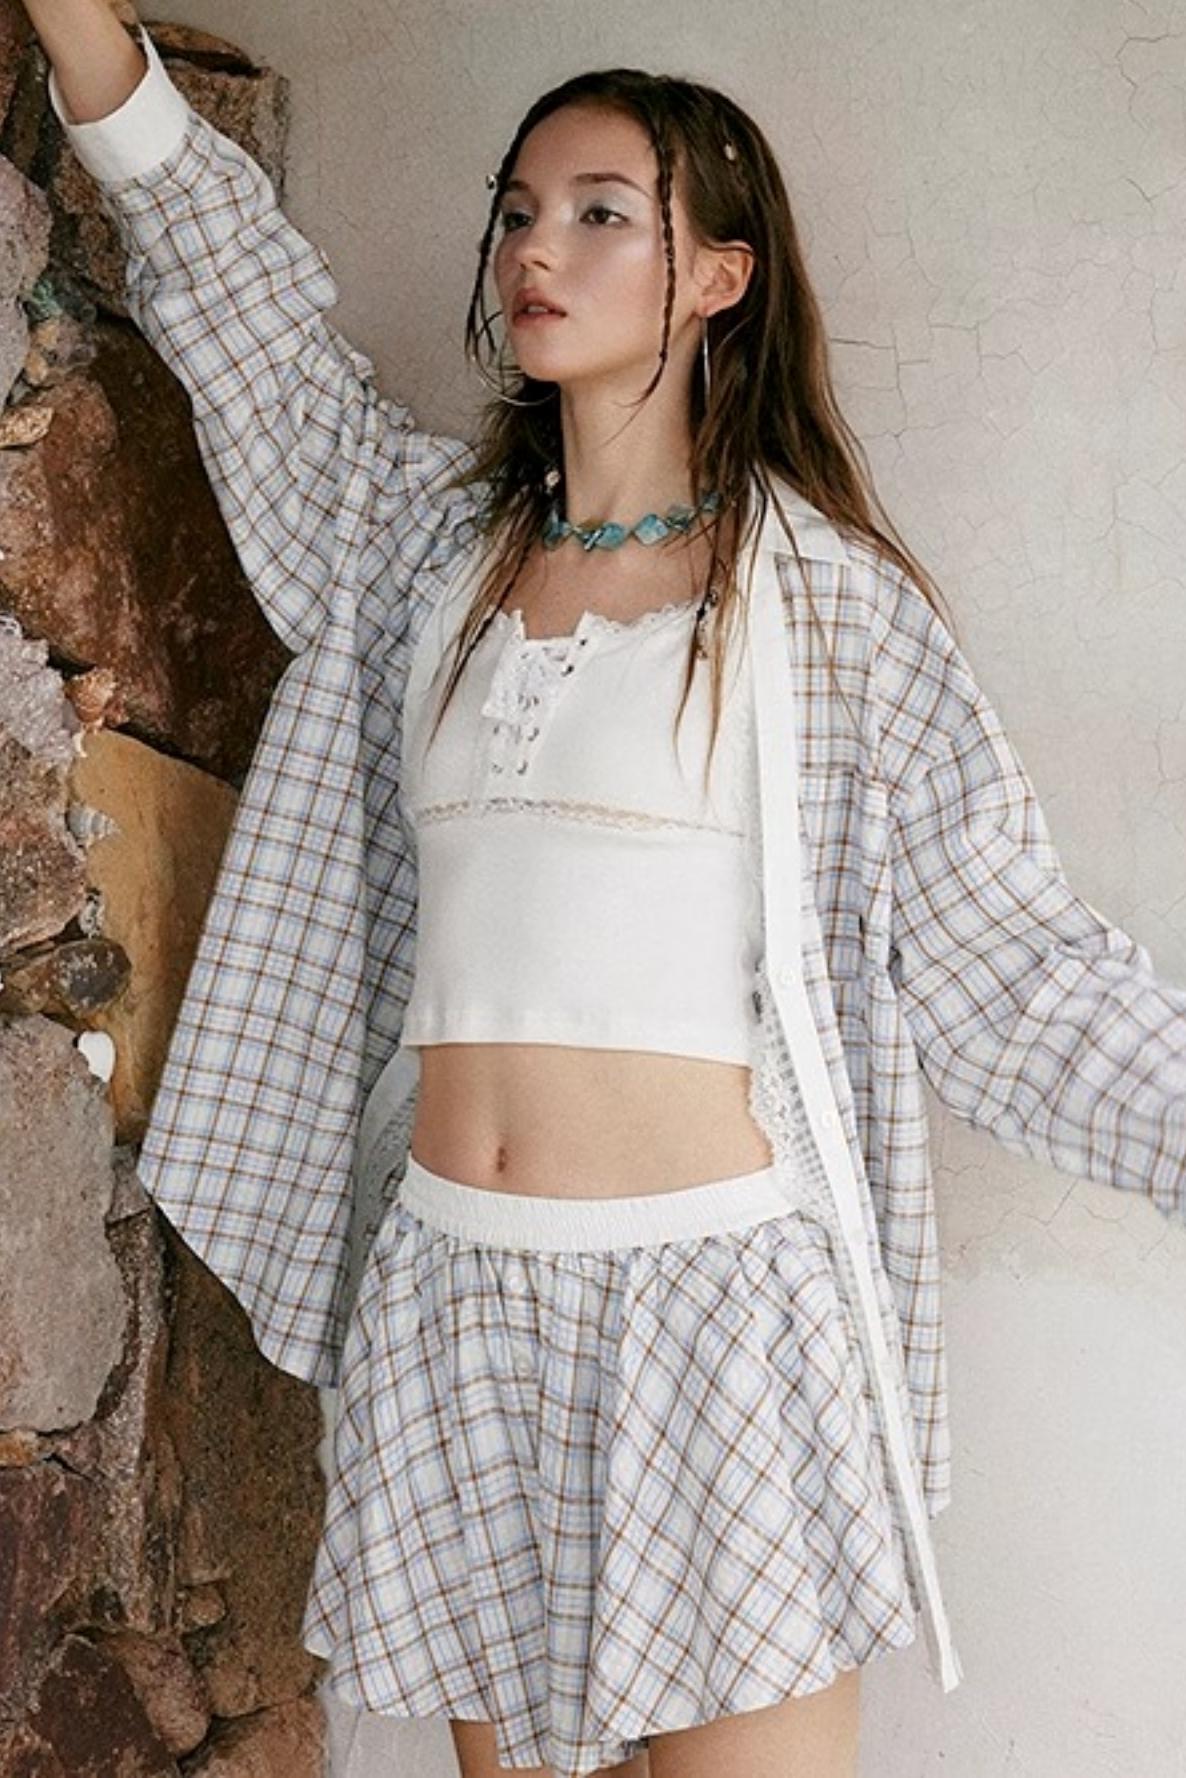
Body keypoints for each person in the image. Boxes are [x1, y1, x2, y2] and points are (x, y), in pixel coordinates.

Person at [29, 5, 1186, 1776]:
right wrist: (75, 25)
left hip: (717, 1314)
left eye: (596, 214)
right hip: (456, 1294)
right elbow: (235, 301)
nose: (533, 250)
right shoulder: (418, 549)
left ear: (716, 277)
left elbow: (1009, 961)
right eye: (515, 211)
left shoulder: (829, 610)